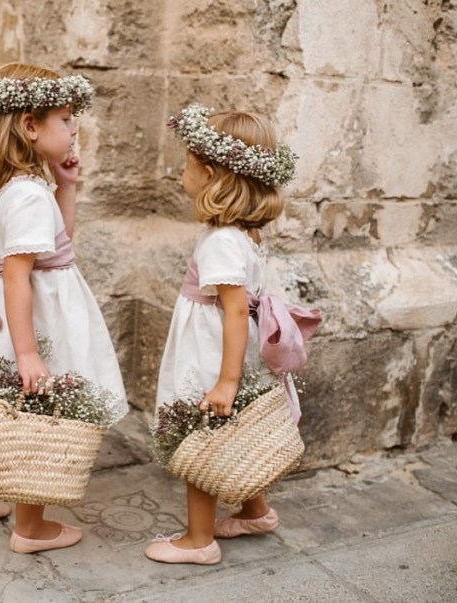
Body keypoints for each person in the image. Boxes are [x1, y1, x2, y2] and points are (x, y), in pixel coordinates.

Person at [0, 62, 128, 554]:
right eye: (65, 120)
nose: (74, 130)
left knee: (9, 408)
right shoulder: (28, 196)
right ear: (30, 126)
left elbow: (58, 244)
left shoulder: (8, 190)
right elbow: (19, 276)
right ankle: (31, 527)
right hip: (39, 320)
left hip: (23, 315)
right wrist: (30, 354)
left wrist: (66, 184)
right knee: (37, 414)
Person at [145, 104, 300, 565]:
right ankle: (255, 510)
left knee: (203, 434)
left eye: (186, 165)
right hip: (229, 344)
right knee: (236, 430)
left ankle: (198, 540)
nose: (181, 173)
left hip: (212, 348)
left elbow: (233, 311)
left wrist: (226, 381)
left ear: (210, 173)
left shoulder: (220, 241)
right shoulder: (244, 232)